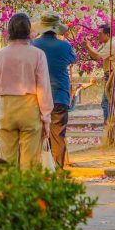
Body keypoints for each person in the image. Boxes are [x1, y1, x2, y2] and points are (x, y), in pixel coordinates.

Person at [0, 12, 53, 169]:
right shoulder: (38, 55)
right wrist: (46, 118)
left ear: (10, 31)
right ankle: (27, 192)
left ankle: (9, 191)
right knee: (30, 162)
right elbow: (43, 88)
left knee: (7, 161)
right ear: (29, 31)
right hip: (30, 107)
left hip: (6, 108)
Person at [32, 12, 76, 169]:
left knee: (37, 134)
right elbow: (72, 59)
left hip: (38, 95)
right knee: (58, 134)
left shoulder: (33, 45)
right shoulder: (65, 46)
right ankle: (58, 169)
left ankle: (39, 167)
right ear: (56, 28)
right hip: (59, 95)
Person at [81, 24, 115, 123]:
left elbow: (98, 57)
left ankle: (108, 125)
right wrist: (88, 46)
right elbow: (94, 56)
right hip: (109, 74)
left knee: (106, 102)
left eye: (100, 34)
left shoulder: (112, 44)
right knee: (113, 100)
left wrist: (88, 47)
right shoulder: (105, 44)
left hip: (113, 75)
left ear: (108, 34)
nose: (98, 36)